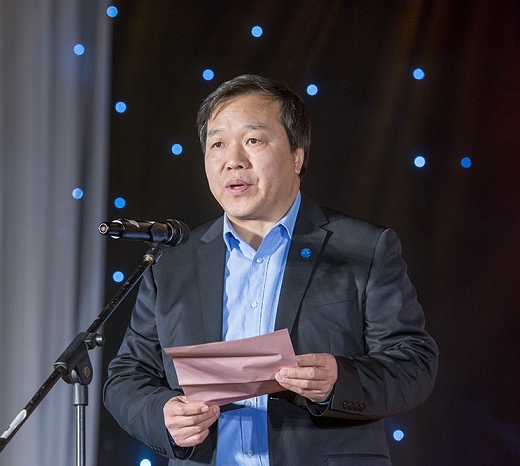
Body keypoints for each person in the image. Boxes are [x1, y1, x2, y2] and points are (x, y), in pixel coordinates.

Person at [103, 74, 438, 465]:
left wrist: (339, 380)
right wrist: (164, 414)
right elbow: (126, 376)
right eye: (217, 144)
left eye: (253, 140)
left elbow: (414, 362)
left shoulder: (362, 248)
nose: (233, 160)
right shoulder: (173, 261)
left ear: (297, 155)